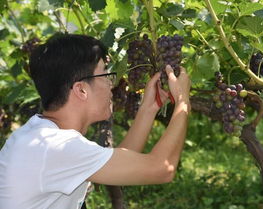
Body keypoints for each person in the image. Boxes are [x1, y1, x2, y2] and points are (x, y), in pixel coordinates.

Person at [0, 33, 191, 209]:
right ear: (81, 90)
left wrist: (149, 109)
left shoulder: (40, 136)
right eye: (105, 74)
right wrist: (183, 102)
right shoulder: (56, 147)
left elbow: (117, 163)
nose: (112, 84)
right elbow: (163, 168)